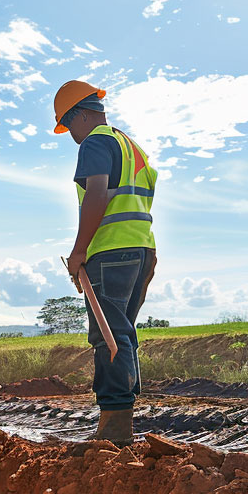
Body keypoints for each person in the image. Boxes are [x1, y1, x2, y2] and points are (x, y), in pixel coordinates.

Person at [53, 81, 158, 446]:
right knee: (122, 332)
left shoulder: (96, 141)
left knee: (108, 335)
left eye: (68, 126)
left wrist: (79, 250)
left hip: (111, 252)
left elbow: (96, 194)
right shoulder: (132, 147)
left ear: (80, 115)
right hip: (142, 250)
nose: (71, 136)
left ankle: (115, 426)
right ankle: (119, 416)